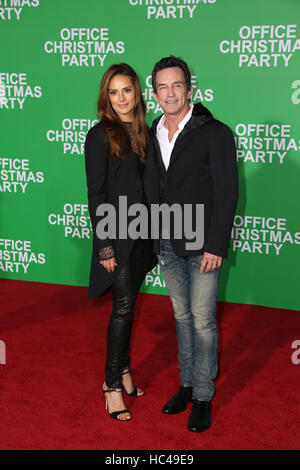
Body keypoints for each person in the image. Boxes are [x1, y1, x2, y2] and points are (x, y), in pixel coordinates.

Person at [144, 56, 239, 432]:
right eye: (162, 87)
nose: (170, 93)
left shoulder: (215, 132)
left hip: (203, 245)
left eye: (176, 85)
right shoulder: (154, 130)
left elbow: (228, 193)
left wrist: (216, 244)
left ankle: (203, 393)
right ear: (155, 93)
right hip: (167, 241)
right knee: (181, 317)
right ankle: (185, 383)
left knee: (202, 321)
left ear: (189, 89)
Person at [84, 63, 157, 422]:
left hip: (145, 236)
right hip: (118, 236)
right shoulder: (100, 134)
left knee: (131, 305)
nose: (121, 99)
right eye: (113, 92)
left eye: (126, 90)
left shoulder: (146, 130)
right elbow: (96, 195)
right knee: (123, 308)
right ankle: (111, 384)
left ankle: (125, 371)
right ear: (106, 97)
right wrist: (105, 246)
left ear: (137, 92)